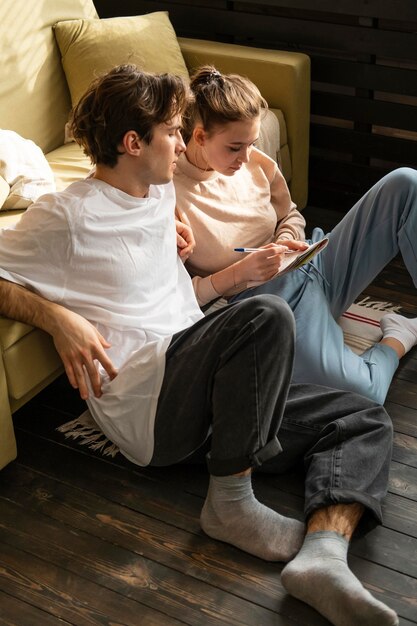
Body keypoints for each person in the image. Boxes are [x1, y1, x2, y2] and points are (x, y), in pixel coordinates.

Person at [0, 64, 398, 626]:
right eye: (172, 130)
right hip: (150, 405)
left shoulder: (160, 194)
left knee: (363, 420)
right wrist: (56, 318)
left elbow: (159, 281)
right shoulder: (66, 216)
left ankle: (323, 558)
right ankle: (230, 505)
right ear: (132, 142)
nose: (184, 140)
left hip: (206, 386)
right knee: (266, 314)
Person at [174, 64, 417, 405]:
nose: (247, 157)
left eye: (252, 143)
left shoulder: (255, 162)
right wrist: (241, 273)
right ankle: (400, 336)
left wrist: (285, 239)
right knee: (363, 395)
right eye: (235, 147)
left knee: (407, 183)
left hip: (311, 263)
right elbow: (180, 297)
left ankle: (327, 330)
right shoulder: (169, 196)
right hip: (271, 307)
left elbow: (289, 214)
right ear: (199, 136)